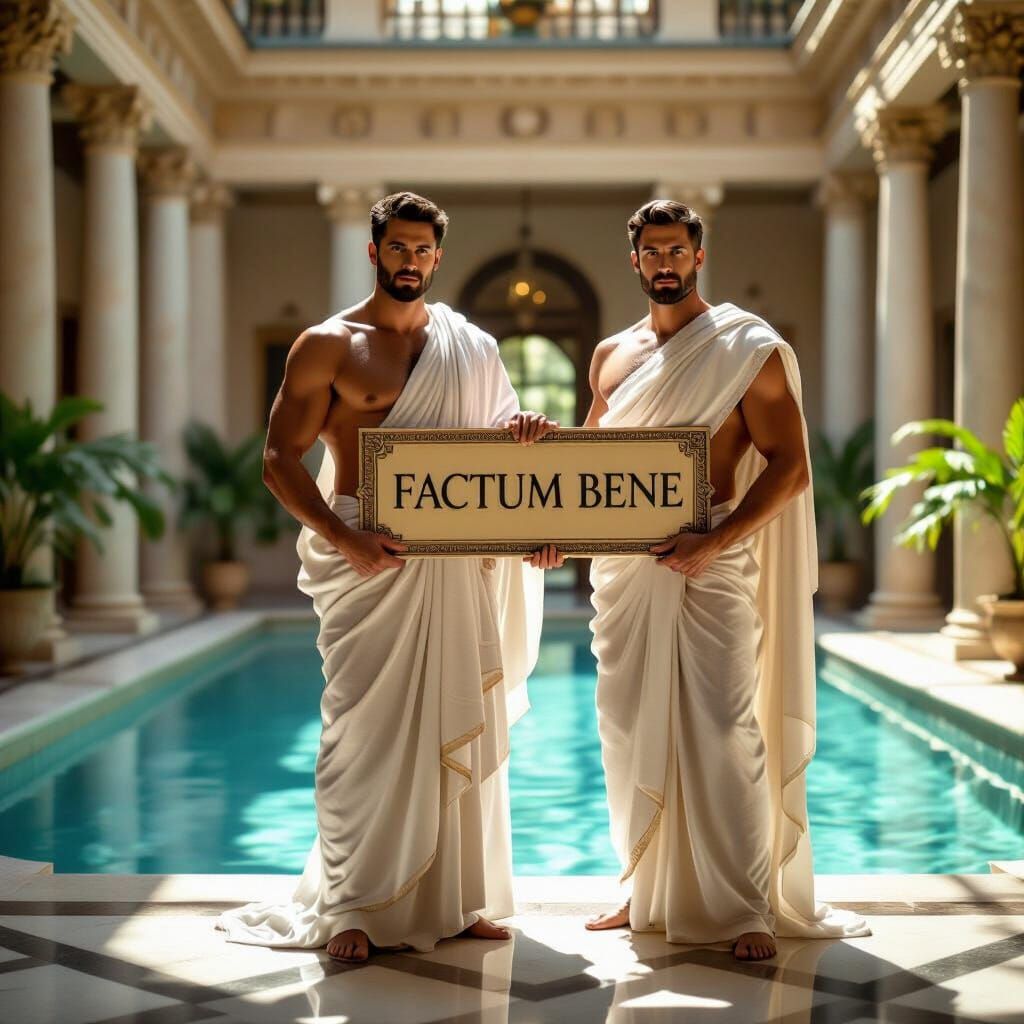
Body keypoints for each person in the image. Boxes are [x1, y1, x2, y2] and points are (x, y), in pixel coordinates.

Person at [217, 191, 556, 962]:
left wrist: (530, 443)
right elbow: (278, 459)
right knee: (360, 734)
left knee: (458, 710)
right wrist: (345, 537)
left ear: (439, 257)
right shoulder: (327, 345)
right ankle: (353, 907)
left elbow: (505, 455)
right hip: (367, 567)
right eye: (397, 248)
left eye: (423, 250)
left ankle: (458, 899)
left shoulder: (471, 346)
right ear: (374, 252)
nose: (411, 261)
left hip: (458, 566)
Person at [582, 199, 869, 960]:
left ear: (699, 257)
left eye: (678, 250)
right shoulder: (610, 355)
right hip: (623, 576)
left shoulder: (749, 348)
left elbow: (793, 467)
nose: (666, 262)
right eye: (653, 252)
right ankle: (642, 886)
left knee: (722, 727)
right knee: (622, 725)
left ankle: (744, 906)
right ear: (635, 260)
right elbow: (585, 465)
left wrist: (718, 541)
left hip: (710, 565)